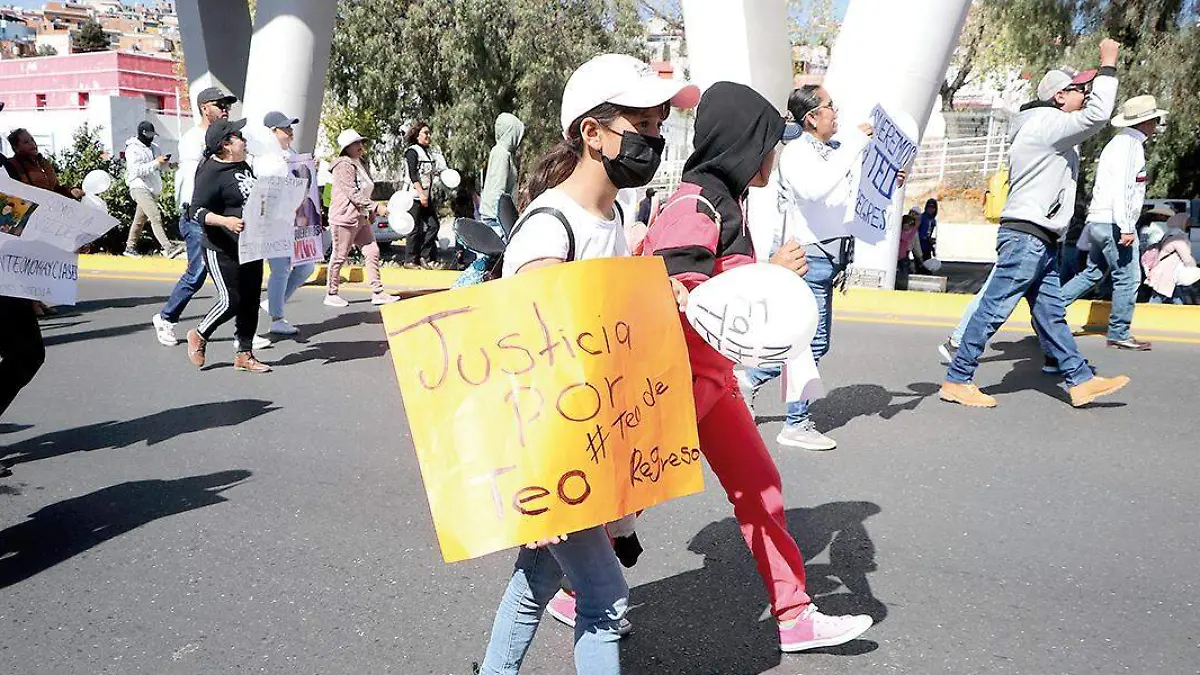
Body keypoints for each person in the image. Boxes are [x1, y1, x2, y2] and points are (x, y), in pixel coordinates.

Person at [477, 53, 698, 675]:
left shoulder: (617, 215)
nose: (654, 137)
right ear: (591, 132)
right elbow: (525, 371)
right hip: (558, 451)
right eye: (642, 122)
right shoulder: (548, 232)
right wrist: (538, 490)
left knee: (535, 581)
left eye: (659, 124)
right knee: (605, 601)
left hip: (594, 442)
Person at [644, 80, 873, 655]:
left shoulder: (725, 199)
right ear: (744, 142)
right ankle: (566, 585)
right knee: (625, 493)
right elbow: (677, 292)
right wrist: (767, 273)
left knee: (761, 487)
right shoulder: (695, 203)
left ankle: (793, 612)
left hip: (712, 383)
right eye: (770, 141)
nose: (775, 153)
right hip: (678, 384)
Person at [941, 40, 1130, 409]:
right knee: (994, 309)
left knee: (1051, 315)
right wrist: (1108, 66)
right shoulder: (1048, 124)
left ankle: (1079, 380)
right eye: (1081, 90)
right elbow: (1097, 116)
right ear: (1060, 96)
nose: (1087, 95)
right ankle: (958, 378)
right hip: (1027, 237)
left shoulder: (1044, 125)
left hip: (1037, 238)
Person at [740, 84, 879, 451]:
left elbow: (842, 197)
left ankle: (750, 381)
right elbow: (816, 190)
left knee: (809, 344)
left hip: (827, 257)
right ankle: (795, 422)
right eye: (831, 106)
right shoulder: (799, 153)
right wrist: (853, 145)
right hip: (805, 258)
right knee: (809, 344)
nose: (838, 112)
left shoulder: (830, 152)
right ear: (811, 117)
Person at [1056, 94, 1168, 351]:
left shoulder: (1117, 143)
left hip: (1099, 221)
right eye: (1155, 120)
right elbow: (1125, 190)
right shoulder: (1131, 147)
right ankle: (1119, 332)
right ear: (1145, 122)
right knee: (1128, 278)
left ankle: (1050, 309)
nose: (1156, 125)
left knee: (1093, 272)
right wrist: (1127, 227)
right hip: (1114, 223)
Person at [183, 118, 271, 373]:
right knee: (231, 299)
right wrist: (225, 221)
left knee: (251, 300)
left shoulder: (243, 164)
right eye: (238, 137)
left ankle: (244, 354)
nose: (244, 140)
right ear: (226, 145)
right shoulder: (210, 172)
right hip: (220, 246)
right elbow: (196, 212)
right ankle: (199, 334)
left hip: (250, 244)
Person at [152, 86, 237, 348]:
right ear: (204, 108)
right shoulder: (194, 140)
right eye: (219, 105)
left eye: (227, 106)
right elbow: (195, 181)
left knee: (237, 272)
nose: (225, 109)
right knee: (198, 272)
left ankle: (244, 333)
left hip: (222, 217)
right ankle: (166, 318)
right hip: (197, 215)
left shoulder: (230, 137)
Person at [255, 110, 320, 336]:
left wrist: (310, 167)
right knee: (281, 270)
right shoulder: (264, 158)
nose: (290, 132)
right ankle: (277, 317)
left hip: (296, 221)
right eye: (285, 128)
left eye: (290, 128)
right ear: (273, 132)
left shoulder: (291, 153)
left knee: (306, 266)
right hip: (275, 221)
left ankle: (275, 303)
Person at [323, 129, 396, 308]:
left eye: (360, 142)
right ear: (346, 147)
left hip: (360, 217)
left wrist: (369, 212)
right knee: (340, 256)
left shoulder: (360, 163)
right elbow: (352, 192)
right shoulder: (343, 165)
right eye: (355, 143)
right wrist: (375, 207)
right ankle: (331, 293)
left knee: (372, 251)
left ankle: (377, 292)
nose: (359, 146)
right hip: (345, 217)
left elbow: (365, 190)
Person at [122, 121, 180, 258]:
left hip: (152, 188)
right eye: (149, 135)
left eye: (153, 135)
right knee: (155, 216)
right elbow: (135, 171)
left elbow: (160, 167)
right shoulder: (132, 149)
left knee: (139, 220)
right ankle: (168, 247)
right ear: (142, 134)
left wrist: (170, 165)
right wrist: (156, 162)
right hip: (138, 186)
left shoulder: (155, 147)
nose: (152, 138)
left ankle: (130, 247)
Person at [403, 121, 443, 269]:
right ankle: (409, 260)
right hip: (414, 196)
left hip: (426, 195)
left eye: (429, 133)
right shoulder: (412, 152)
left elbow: (429, 172)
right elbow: (413, 174)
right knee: (414, 228)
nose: (428, 136)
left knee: (434, 225)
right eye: (425, 133)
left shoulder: (428, 152)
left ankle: (424, 256)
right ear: (417, 135)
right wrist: (421, 194)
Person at [478, 112, 524, 232]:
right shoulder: (501, 154)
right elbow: (497, 190)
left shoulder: (502, 153)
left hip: (497, 218)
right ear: (511, 132)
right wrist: (502, 221)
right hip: (496, 221)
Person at [6, 129, 83, 199]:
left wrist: (71, 191)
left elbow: (55, 189)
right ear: (16, 148)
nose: (32, 144)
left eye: (32, 140)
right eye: (26, 142)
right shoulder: (12, 165)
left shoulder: (44, 163)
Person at [1143, 213, 1199, 304]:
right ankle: (1147, 315)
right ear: (1181, 222)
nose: (1190, 223)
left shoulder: (1169, 234)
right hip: (1167, 273)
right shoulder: (1178, 238)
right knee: (1158, 297)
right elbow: (1187, 259)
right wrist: (1195, 266)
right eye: (1187, 221)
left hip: (1166, 272)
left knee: (1173, 295)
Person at [898, 209, 926, 275]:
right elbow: (917, 249)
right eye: (912, 213)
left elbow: (917, 247)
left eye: (915, 214)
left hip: (902, 256)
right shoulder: (912, 232)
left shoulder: (899, 229)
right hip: (902, 257)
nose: (913, 215)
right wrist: (920, 258)